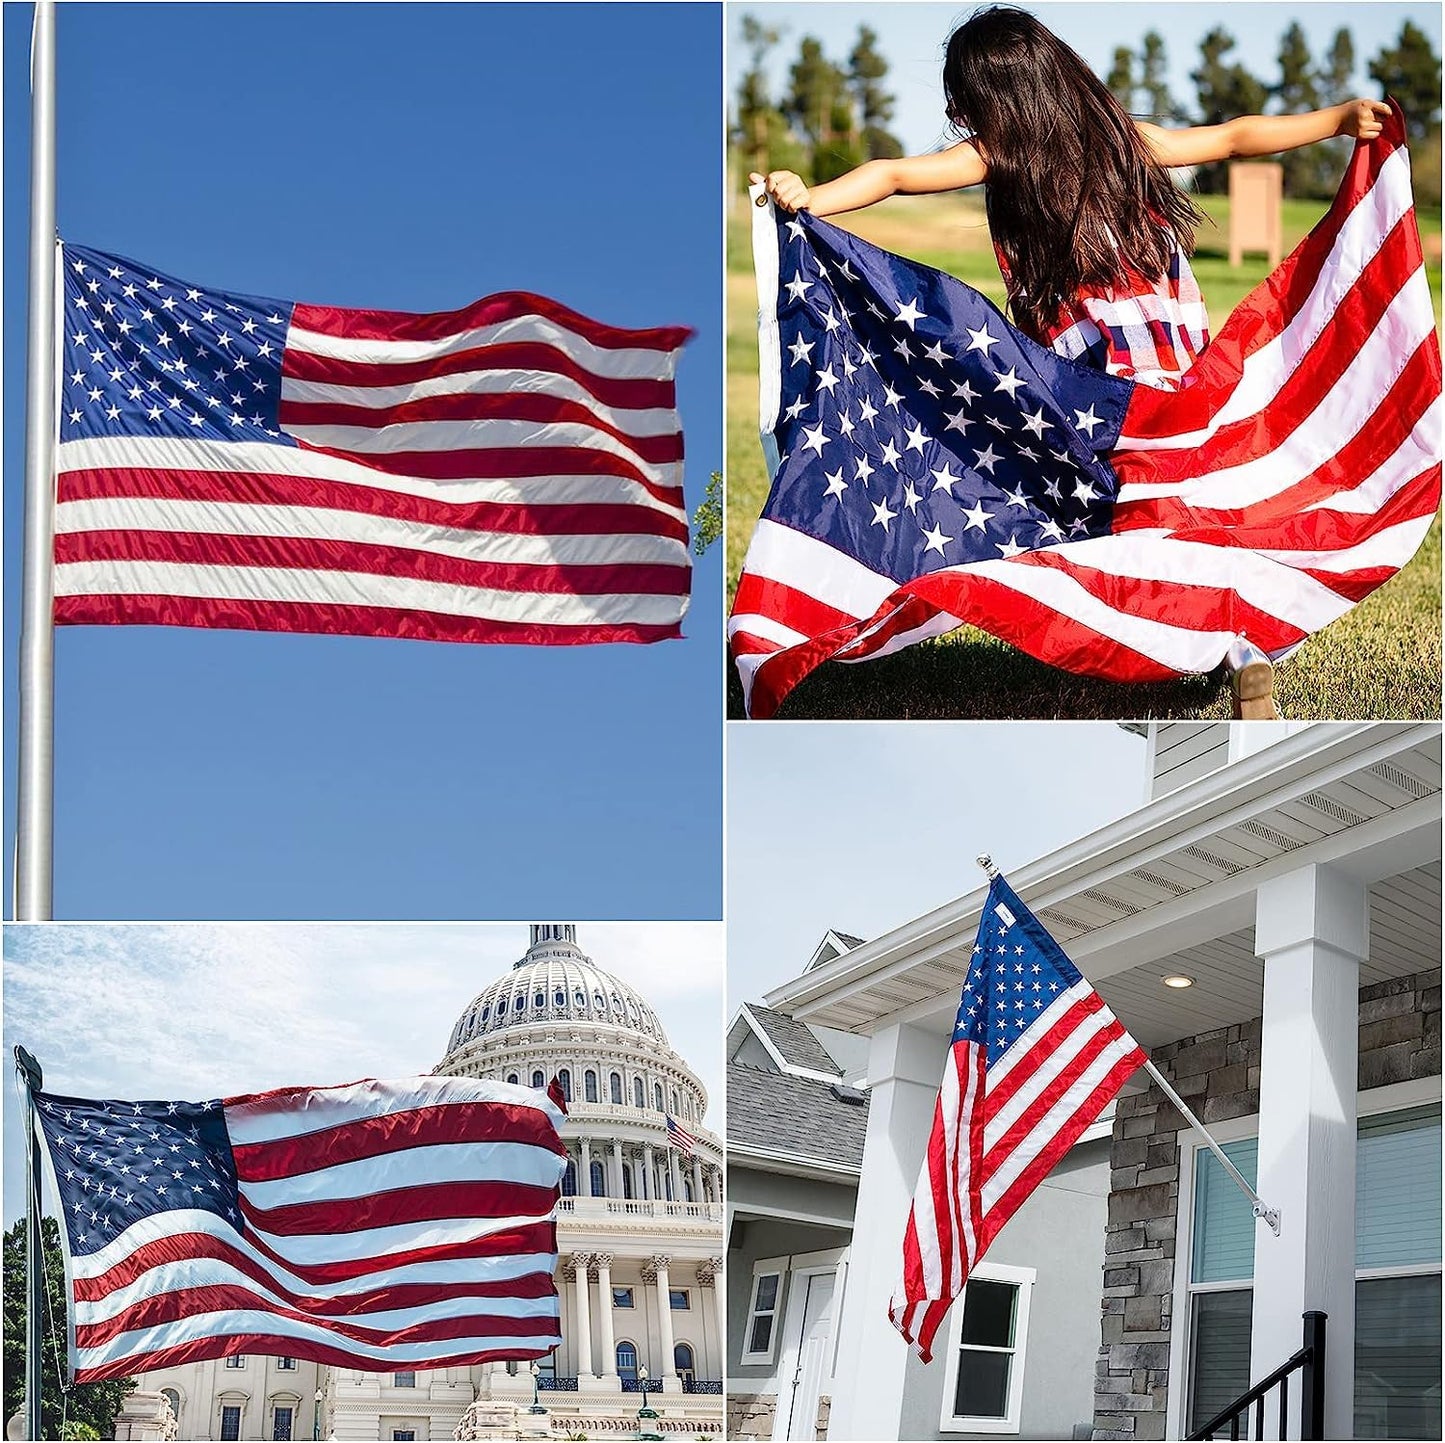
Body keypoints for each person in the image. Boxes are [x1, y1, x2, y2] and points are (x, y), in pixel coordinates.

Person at [750, 6, 1392, 719]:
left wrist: (812, 197)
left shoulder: (1004, 154)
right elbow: (1237, 136)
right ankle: (1235, 638)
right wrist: (1331, 120)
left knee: (1139, 520)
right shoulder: (1123, 140)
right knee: (1187, 508)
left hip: (1096, 382)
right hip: (1175, 368)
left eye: (961, 97)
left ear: (998, 95)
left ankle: (1207, 632)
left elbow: (896, 174)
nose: (955, 113)